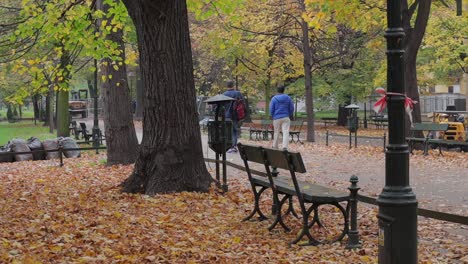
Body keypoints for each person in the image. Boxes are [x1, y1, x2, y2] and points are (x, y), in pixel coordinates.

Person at [269, 85, 294, 150]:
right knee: (285, 131)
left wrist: (272, 115)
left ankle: (275, 146)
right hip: (285, 117)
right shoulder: (288, 98)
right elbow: (291, 108)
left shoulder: (274, 98)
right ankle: (284, 146)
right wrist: (289, 113)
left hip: (276, 117)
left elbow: (271, 109)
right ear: (283, 90)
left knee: (276, 132)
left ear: (277, 90)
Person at [223, 80, 244, 153]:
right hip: (235, 116)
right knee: (234, 131)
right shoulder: (238, 93)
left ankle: (229, 146)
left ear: (227, 86)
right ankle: (234, 146)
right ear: (233, 85)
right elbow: (243, 103)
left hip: (226, 116)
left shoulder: (224, 94)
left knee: (228, 131)